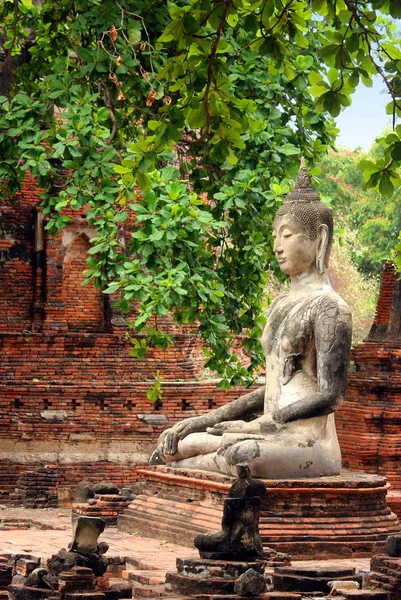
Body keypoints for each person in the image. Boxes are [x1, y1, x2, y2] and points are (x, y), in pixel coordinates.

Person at [155, 159, 352, 478]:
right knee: (178, 444)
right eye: (275, 235)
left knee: (242, 455)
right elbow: (272, 387)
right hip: (268, 429)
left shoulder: (330, 307)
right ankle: (191, 462)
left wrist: (255, 425)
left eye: (286, 235)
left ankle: (192, 467)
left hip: (306, 442)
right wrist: (205, 420)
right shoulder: (279, 305)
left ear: (319, 237)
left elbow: (330, 396)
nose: (276, 246)